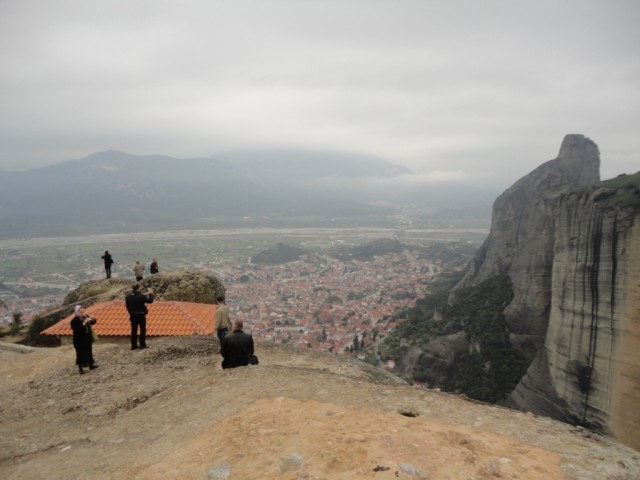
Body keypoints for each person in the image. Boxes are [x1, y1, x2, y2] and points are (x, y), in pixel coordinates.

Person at [70, 305, 98, 374]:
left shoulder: (85, 316)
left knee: (89, 351)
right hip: (79, 340)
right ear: (77, 312)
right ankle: (80, 369)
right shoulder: (74, 321)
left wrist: (92, 319)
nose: (82, 313)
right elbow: (77, 329)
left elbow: (93, 322)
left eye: (82, 312)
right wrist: (84, 323)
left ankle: (91, 365)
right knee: (80, 354)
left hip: (87, 339)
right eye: (80, 312)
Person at [125, 283, 154, 350]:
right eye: (140, 288)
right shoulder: (141, 296)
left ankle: (134, 346)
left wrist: (131, 312)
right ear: (138, 289)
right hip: (141, 315)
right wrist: (150, 293)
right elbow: (150, 301)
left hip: (133, 315)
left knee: (134, 330)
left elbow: (127, 306)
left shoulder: (128, 296)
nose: (141, 289)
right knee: (142, 330)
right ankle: (142, 344)